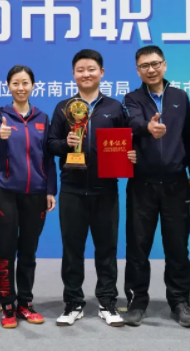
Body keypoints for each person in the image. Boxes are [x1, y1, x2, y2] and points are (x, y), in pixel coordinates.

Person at [47, 49, 136, 327]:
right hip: (72, 189)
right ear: (73, 74)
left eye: (91, 69)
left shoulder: (115, 107)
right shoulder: (64, 107)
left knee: (106, 250)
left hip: (106, 189)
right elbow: (50, 144)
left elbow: (127, 141)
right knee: (72, 249)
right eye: (80, 70)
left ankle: (107, 303)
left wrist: (130, 155)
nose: (86, 74)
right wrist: (66, 143)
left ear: (102, 73)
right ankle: (73, 303)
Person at [121, 45, 190, 328]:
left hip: (176, 184)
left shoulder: (180, 96)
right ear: (138, 70)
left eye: (155, 64)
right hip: (141, 184)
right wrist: (148, 127)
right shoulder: (131, 98)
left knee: (178, 247)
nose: (151, 69)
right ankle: (136, 302)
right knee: (137, 247)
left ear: (164, 65)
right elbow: (132, 123)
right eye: (144, 66)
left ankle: (179, 302)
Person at [0, 65, 58, 328]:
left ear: (33, 86)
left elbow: (48, 157)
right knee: (6, 250)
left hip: (36, 194)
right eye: (15, 83)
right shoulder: (0, 116)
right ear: (8, 86)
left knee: (28, 251)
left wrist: (50, 190)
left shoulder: (42, 118)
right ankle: (7, 304)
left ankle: (25, 303)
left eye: (25, 83)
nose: (21, 87)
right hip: (5, 193)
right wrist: (0, 137)